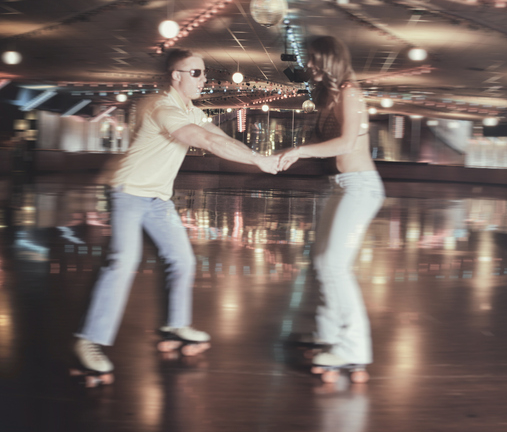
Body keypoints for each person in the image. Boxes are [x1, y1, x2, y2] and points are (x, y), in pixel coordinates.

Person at [74, 49, 281, 377]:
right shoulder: (163, 107)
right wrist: (259, 161)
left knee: (182, 260)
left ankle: (176, 325)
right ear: (176, 76)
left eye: (204, 72)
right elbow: (201, 140)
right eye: (196, 73)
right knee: (123, 261)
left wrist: (258, 156)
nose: (204, 78)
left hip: (158, 200)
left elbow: (219, 137)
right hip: (128, 193)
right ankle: (89, 340)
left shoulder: (190, 110)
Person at [278, 36, 384, 375]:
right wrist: (290, 152)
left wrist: (301, 152)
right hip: (340, 186)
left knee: (334, 265)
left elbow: (346, 142)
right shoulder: (328, 96)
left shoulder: (350, 91)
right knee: (321, 261)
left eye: (312, 59)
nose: (307, 65)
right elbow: (319, 142)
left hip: (361, 187)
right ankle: (325, 334)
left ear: (329, 60)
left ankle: (353, 348)